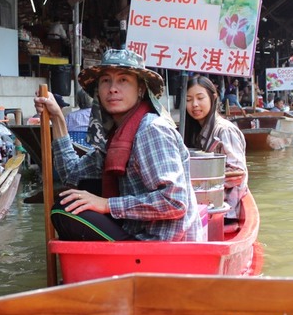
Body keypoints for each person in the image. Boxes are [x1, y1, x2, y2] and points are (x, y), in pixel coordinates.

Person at [33, 48, 203, 242]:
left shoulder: (150, 129)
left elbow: (174, 202)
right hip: (136, 230)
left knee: (64, 212)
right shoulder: (115, 136)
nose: (113, 88)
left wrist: (107, 205)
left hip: (162, 243)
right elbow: (71, 174)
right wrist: (57, 117)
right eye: (106, 81)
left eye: (123, 80)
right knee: (71, 198)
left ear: (140, 89)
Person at [183, 75, 248, 219]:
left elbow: (237, 174)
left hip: (225, 209)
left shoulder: (224, 130)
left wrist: (198, 182)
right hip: (200, 203)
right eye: (188, 100)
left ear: (213, 98)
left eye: (200, 98)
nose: (194, 104)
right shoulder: (194, 131)